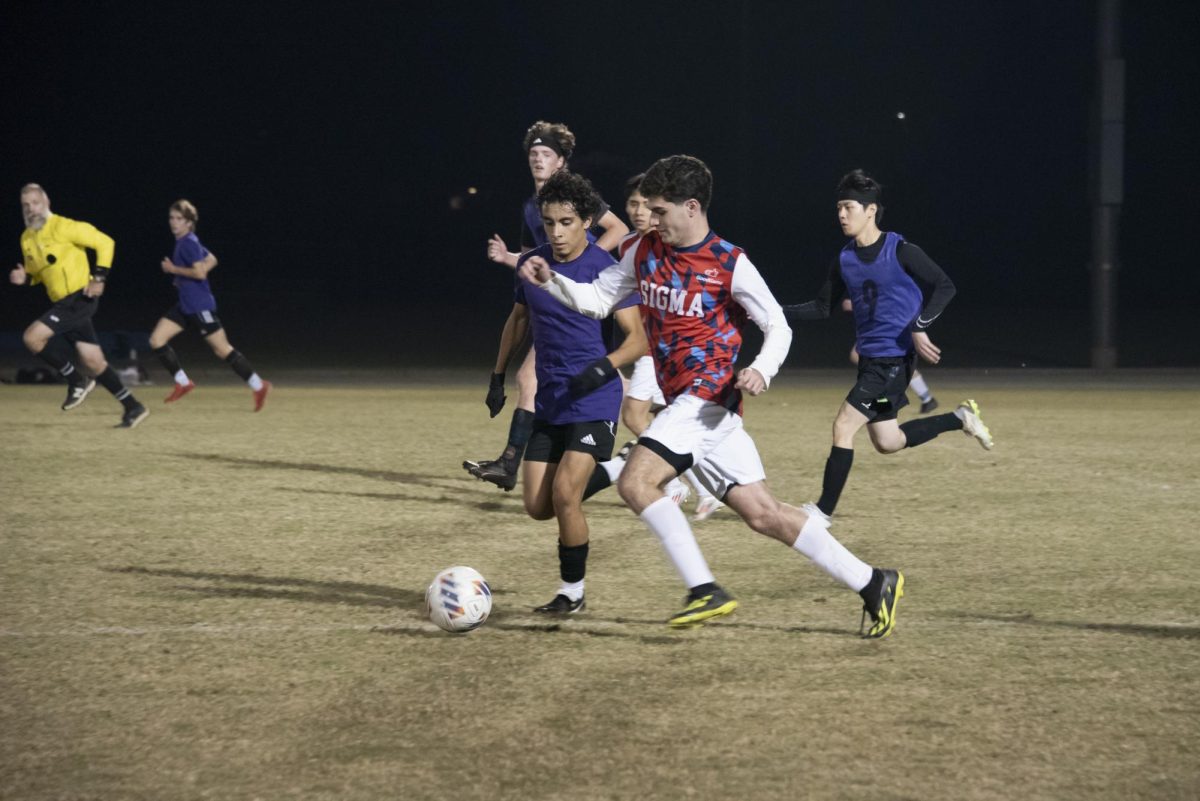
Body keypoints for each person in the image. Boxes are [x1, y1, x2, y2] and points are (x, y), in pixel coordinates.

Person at [520, 155, 904, 638]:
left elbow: (776, 325)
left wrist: (761, 369)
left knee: (637, 483)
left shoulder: (728, 261)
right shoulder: (642, 252)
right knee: (764, 514)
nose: (650, 220)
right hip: (686, 402)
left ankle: (704, 589)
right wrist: (551, 280)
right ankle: (873, 582)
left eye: (660, 211)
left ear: (692, 207)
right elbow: (598, 299)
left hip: (707, 399)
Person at [783, 169, 992, 521]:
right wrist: (770, 311)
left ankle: (821, 514)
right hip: (874, 367)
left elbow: (945, 286)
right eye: (838, 208)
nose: (841, 214)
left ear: (871, 210)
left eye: (848, 207)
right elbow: (821, 308)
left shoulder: (901, 250)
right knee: (888, 440)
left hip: (892, 365)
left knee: (844, 425)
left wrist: (919, 326)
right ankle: (959, 418)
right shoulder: (844, 259)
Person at [497, 170, 646, 613]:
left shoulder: (605, 269)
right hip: (552, 401)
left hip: (594, 398)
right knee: (538, 506)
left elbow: (637, 338)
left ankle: (571, 594)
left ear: (586, 221)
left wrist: (604, 368)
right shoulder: (533, 265)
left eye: (566, 222)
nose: (557, 232)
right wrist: (496, 373)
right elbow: (518, 319)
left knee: (566, 495)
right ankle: (617, 471)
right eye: (549, 223)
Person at [464, 121, 628, 491]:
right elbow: (531, 260)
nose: (538, 160)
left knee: (531, 379)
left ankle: (509, 463)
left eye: (546, 154)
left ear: (561, 160)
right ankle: (659, 419)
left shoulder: (575, 197)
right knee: (606, 383)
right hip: (551, 301)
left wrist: (584, 266)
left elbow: (618, 229)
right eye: (533, 155)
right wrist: (508, 257)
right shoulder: (531, 207)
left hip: (578, 302)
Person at [588, 174, 724, 521]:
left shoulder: (671, 244)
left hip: (661, 346)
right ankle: (698, 486)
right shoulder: (631, 246)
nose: (638, 210)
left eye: (645, 205)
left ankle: (679, 482)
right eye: (632, 204)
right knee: (668, 421)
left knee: (635, 415)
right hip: (651, 347)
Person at [10, 184, 148, 428]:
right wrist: (25, 278)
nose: (31, 209)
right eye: (26, 205)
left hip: (79, 299)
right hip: (63, 304)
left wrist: (99, 277)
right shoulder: (27, 238)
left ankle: (75, 379)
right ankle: (132, 406)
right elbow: (38, 274)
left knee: (32, 338)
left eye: (35, 202)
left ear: (47, 202)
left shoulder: (65, 227)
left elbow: (106, 243)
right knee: (93, 361)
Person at [148, 200, 271, 410]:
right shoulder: (186, 241)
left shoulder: (188, 243)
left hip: (199, 306)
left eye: (179, 219)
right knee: (157, 339)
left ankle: (258, 386)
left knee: (222, 350)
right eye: (171, 218)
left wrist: (173, 270)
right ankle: (183, 382)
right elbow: (212, 259)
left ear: (188, 223)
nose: (174, 222)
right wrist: (182, 277)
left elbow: (200, 272)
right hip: (185, 304)